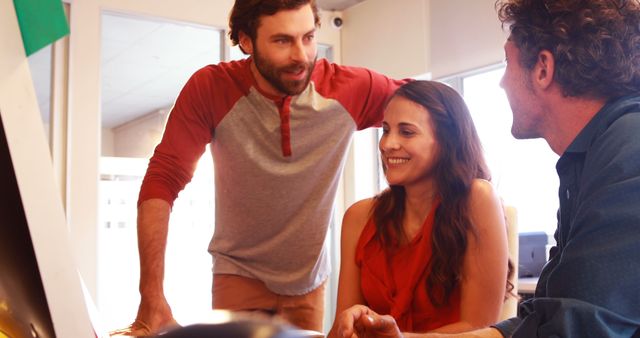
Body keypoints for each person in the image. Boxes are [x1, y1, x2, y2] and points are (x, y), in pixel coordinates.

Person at [331, 0, 640, 337]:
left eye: (507, 63)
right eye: (386, 130)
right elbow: (547, 317)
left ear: (543, 68)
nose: (502, 82)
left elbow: (578, 326)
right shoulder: (590, 158)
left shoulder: (628, 147)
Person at [124, 0, 405, 335]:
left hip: (309, 283)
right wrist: (151, 294)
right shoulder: (211, 88)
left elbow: (432, 108)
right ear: (246, 41)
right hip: (238, 275)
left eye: (308, 37)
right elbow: (162, 181)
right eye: (283, 41)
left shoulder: (349, 88)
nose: (301, 55)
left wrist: (474, 183)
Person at [328, 80, 511, 337]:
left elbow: (479, 328)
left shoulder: (477, 198)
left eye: (407, 132)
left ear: (447, 141)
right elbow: (342, 328)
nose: (387, 144)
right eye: (386, 130)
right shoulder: (358, 217)